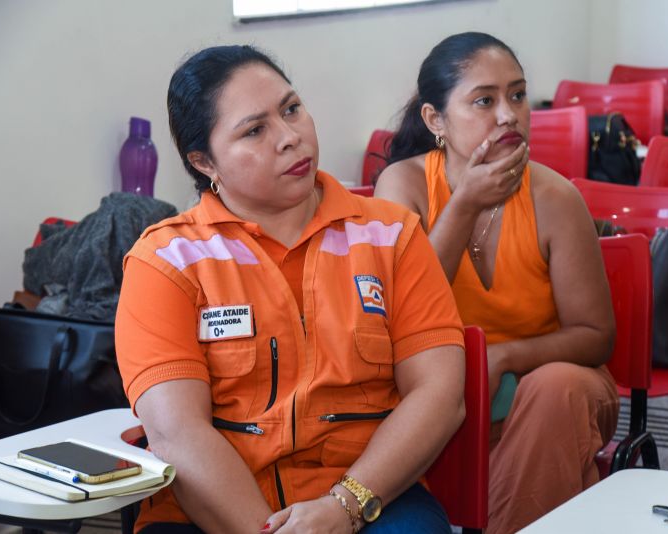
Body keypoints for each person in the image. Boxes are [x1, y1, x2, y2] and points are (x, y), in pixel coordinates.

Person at [115, 44, 466, 534]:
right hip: (213, 510)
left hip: (371, 497)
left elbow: (439, 393)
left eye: (292, 109)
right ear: (205, 162)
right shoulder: (166, 262)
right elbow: (177, 434)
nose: (289, 137)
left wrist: (343, 506)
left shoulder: (391, 236)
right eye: (255, 130)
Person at [374, 32, 620, 533]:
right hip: (443, 395)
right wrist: (464, 204)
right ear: (435, 120)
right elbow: (403, 313)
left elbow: (596, 337)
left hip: (550, 389)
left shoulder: (556, 197)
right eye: (484, 100)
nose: (508, 114)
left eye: (518, 95)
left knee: (558, 388)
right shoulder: (403, 185)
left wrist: (505, 357)